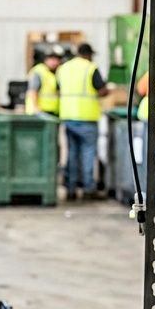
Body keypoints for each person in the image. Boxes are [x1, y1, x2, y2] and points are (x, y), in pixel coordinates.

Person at [54, 43, 110, 198]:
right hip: (87, 118)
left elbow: (57, 89)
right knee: (88, 153)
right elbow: (102, 90)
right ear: (89, 54)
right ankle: (88, 189)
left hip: (68, 117)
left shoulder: (63, 68)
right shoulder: (90, 68)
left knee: (71, 153)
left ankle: (70, 189)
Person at [25, 49, 63, 117]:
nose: (55, 62)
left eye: (57, 60)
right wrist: (36, 108)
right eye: (52, 59)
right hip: (39, 112)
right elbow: (33, 91)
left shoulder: (56, 72)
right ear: (46, 60)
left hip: (51, 111)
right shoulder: (39, 71)